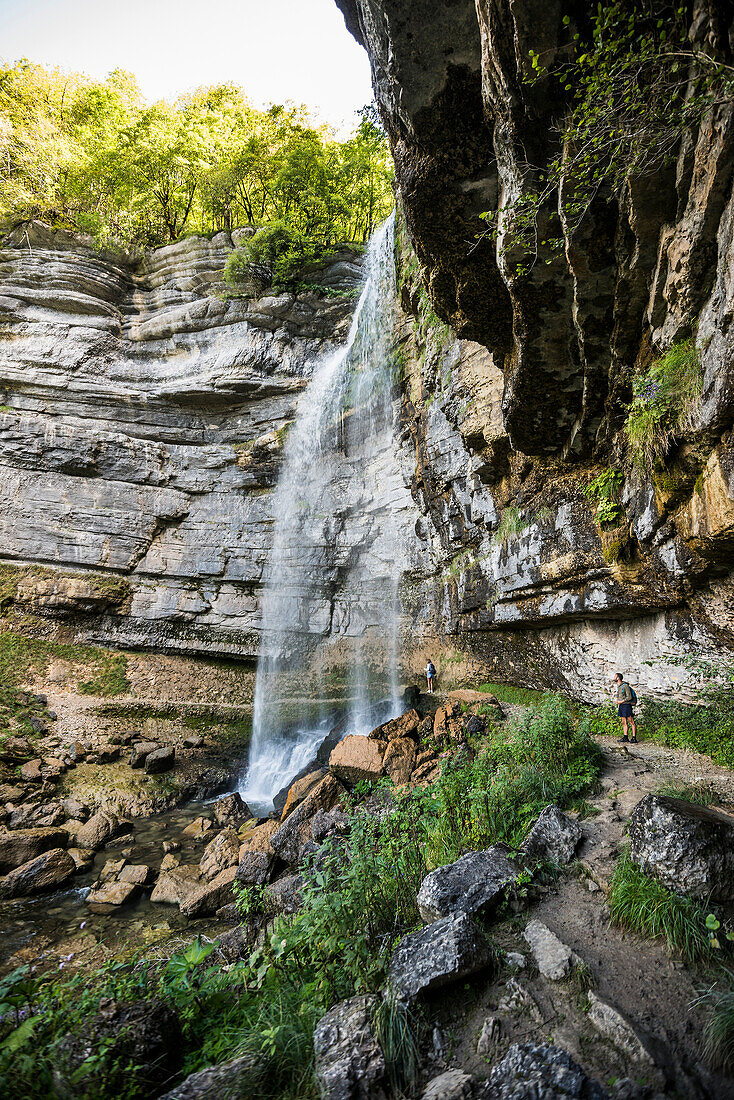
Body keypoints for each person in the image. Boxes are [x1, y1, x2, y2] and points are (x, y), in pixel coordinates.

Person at [613, 672, 638, 743]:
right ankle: (625, 737)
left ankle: (634, 738)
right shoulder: (619, 686)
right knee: (624, 722)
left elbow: (629, 697)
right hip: (622, 706)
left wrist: (621, 701)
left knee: (631, 721)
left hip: (627, 706)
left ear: (618, 678)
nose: (614, 678)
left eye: (615, 676)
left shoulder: (625, 686)